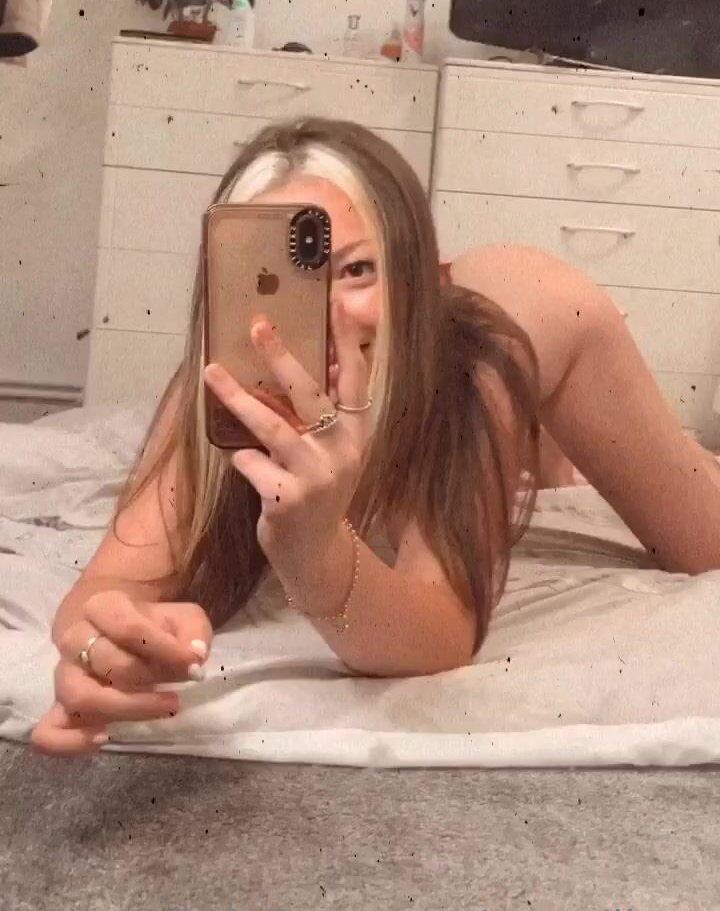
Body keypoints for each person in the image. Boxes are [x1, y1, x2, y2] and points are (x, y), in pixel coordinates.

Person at [32, 116, 720, 756]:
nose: (324, 316)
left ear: (418, 284)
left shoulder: (475, 360)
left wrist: (316, 552)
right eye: (284, 280)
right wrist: (105, 644)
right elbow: (109, 585)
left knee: (706, 541)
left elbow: (442, 632)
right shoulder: (224, 378)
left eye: (357, 269)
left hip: (543, 314)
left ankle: (550, 449)